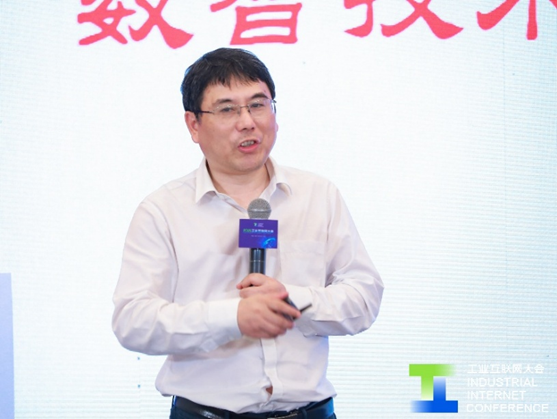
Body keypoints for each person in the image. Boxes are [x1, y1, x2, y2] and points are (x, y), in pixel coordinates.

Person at [112, 47, 384, 419]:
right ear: (193, 125)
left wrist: (292, 300)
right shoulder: (163, 210)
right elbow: (133, 321)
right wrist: (233, 317)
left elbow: (364, 297)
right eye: (227, 110)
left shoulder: (318, 195)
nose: (247, 122)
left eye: (258, 105)